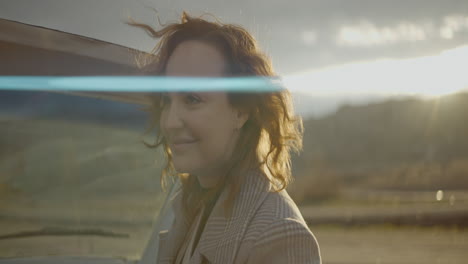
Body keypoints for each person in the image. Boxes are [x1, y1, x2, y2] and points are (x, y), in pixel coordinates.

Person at [130, 12, 321, 264]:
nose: (170, 122)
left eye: (192, 99)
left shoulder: (279, 236)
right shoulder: (193, 206)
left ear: (241, 110)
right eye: (167, 100)